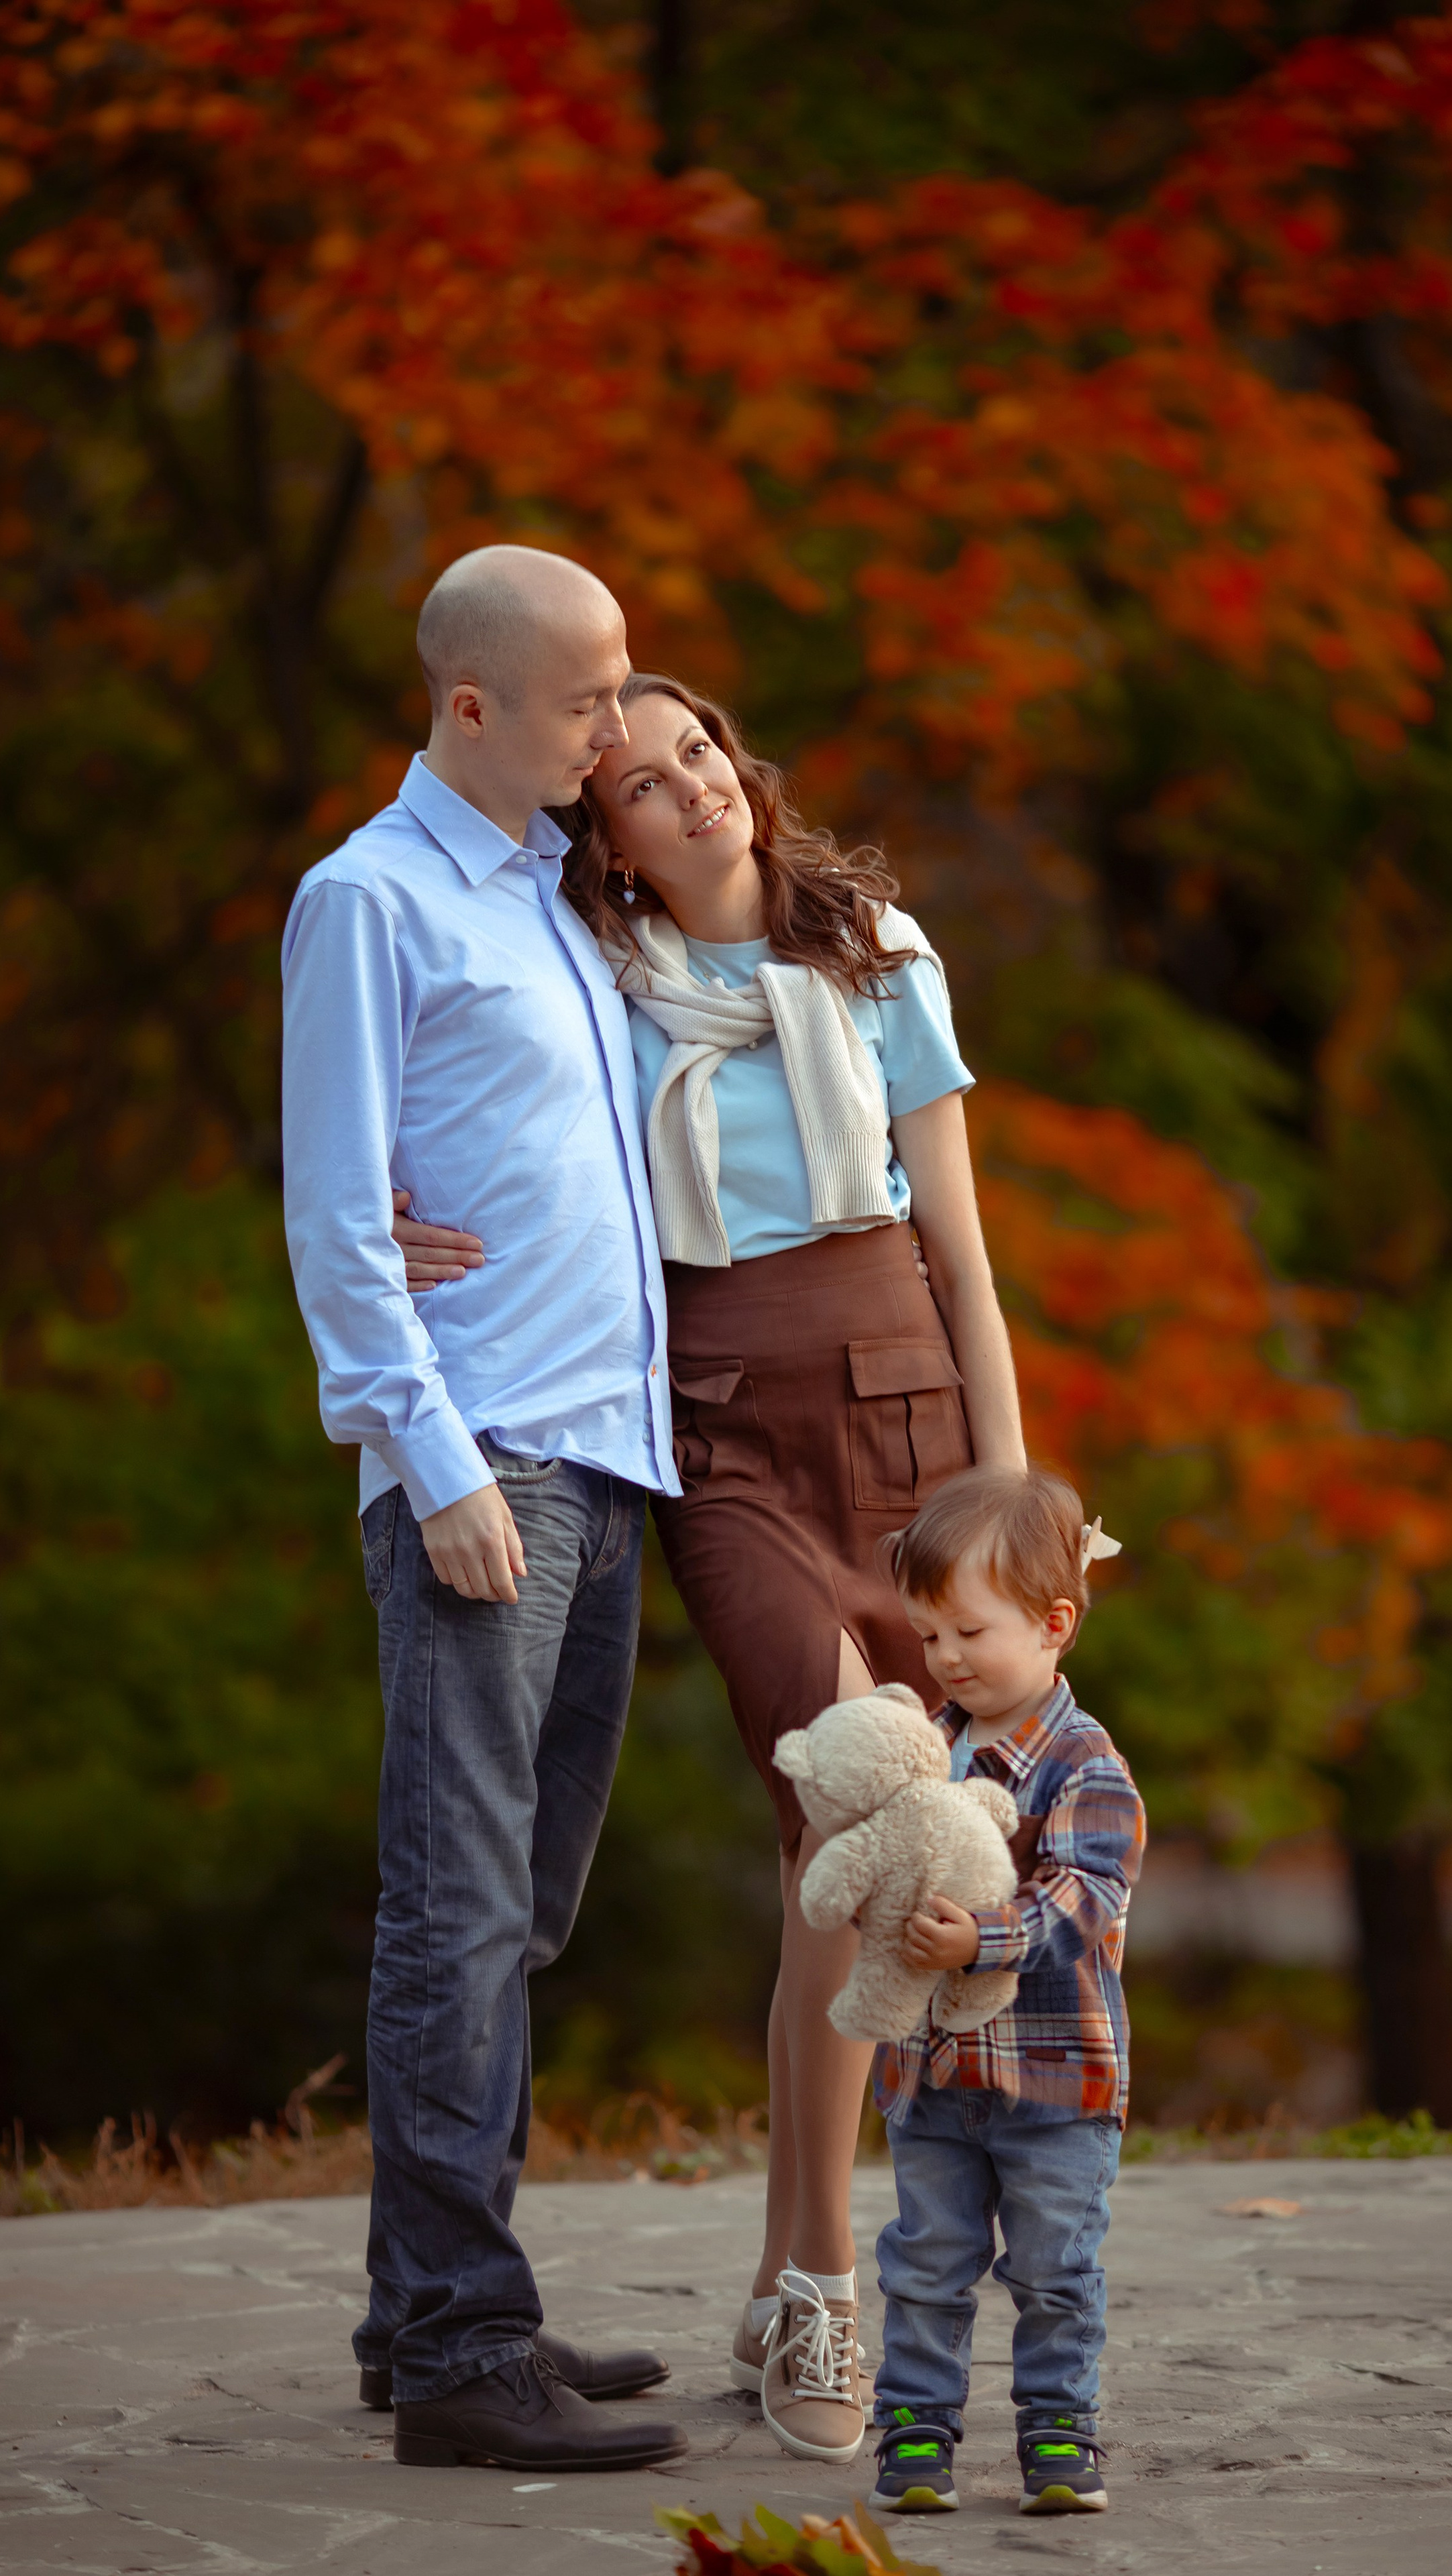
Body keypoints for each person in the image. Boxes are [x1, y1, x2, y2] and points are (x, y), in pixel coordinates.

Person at [394, 672, 1028, 2468]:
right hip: (725, 1429)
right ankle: (833, 2275)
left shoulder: (883, 960)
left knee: (822, 1870)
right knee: (868, 1816)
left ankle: (783, 2276)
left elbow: (965, 1262)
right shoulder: (600, 990)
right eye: (646, 788)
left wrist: (1007, 1492)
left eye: (702, 758)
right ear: (607, 847)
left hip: (903, 1403)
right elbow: (478, 1109)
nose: (693, 794)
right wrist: (371, 1204)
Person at [280, 546, 688, 2475]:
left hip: (603, 1459)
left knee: (520, 1910)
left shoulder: (550, 898)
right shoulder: (370, 903)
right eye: (592, 695)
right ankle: (462, 2340)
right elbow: (337, 1218)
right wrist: (430, 1460)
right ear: (471, 705)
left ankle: (412, 2304)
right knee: (457, 1916)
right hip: (487, 1465)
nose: (617, 727)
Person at [862, 1465, 1143, 2520]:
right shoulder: (925, 1751)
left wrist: (978, 1937)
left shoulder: (1087, 1769)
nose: (944, 1659)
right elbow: (889, 1863)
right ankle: (919, 2428)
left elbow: (1081, 1905)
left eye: (968, 1634)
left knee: (1053, 2268)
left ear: (1054, 1622)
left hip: (1055, 2084)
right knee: (926, 2261)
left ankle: (1060, 2429)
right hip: (931, 2077)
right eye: (930, 1636)